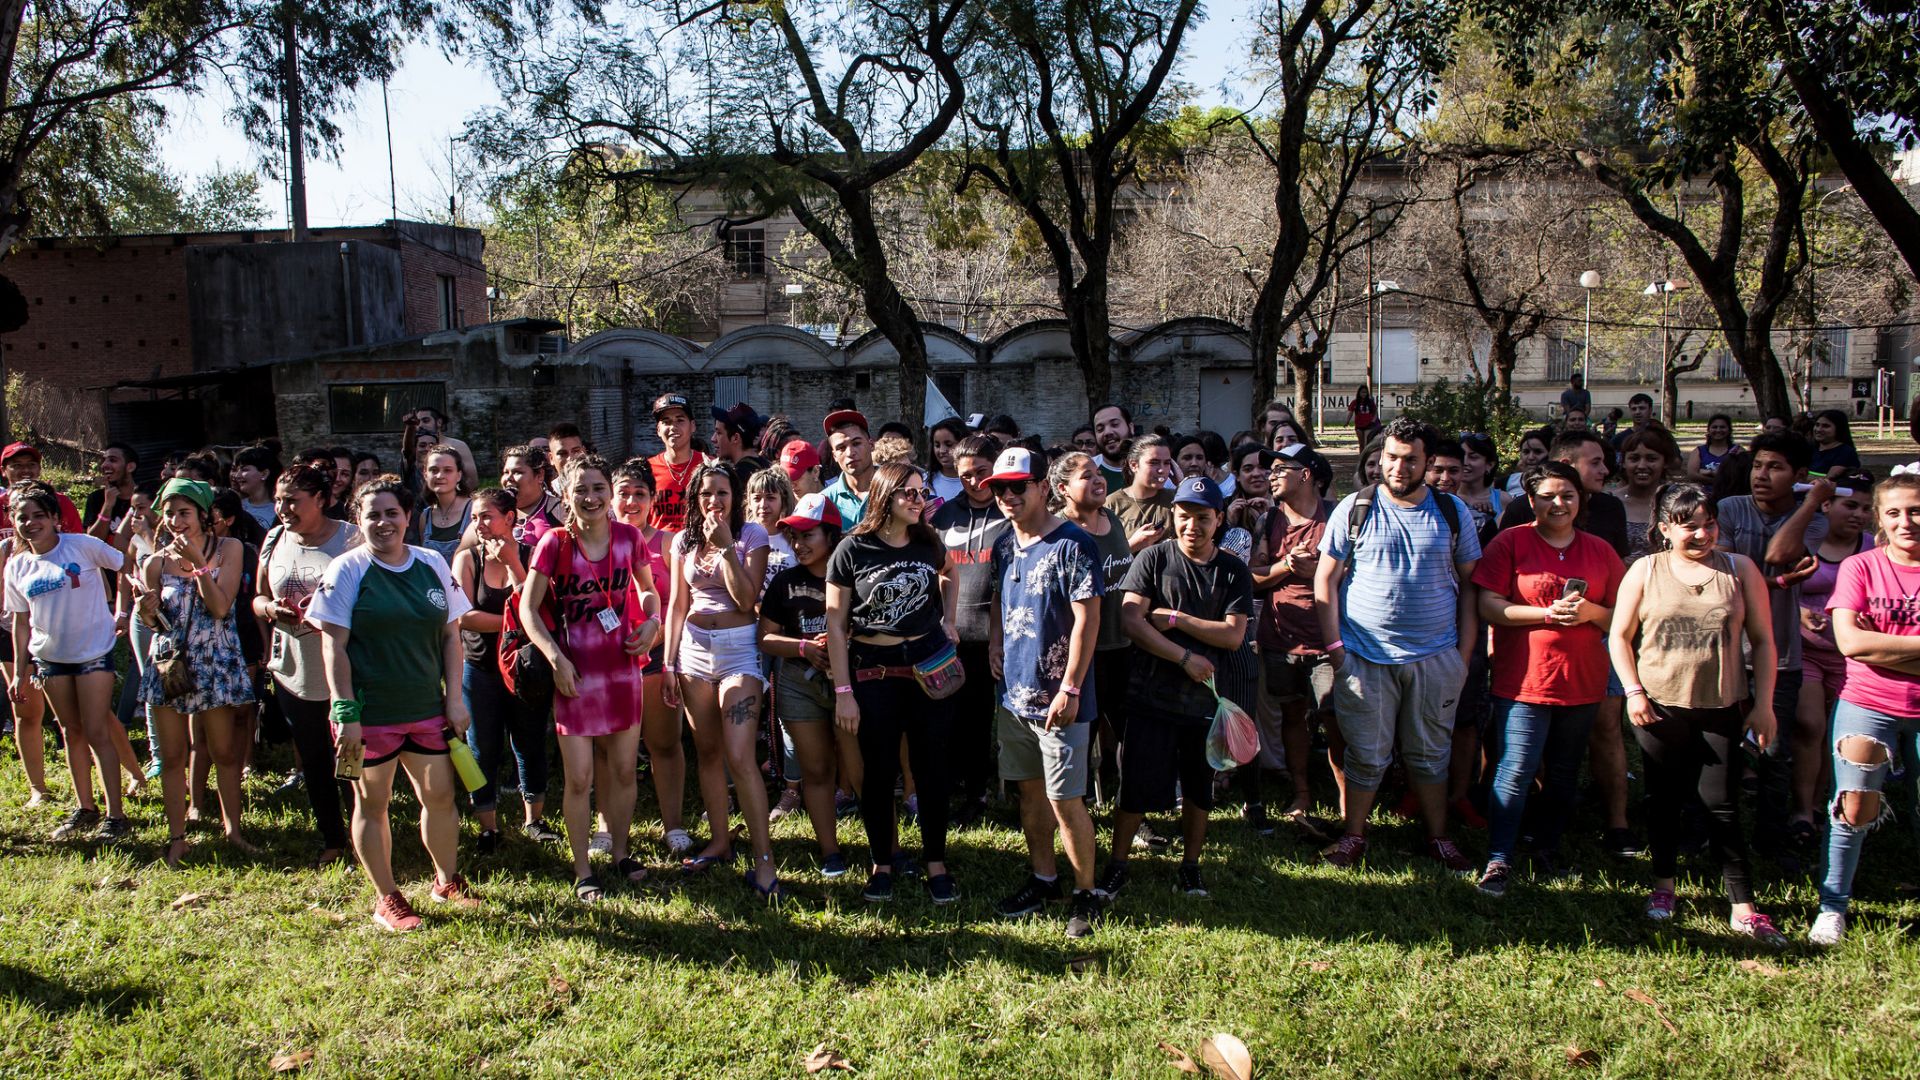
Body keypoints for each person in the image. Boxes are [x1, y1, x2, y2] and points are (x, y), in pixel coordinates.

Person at [1608, 482, 1784, 945]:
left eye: (1709, 525)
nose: (1702, 535)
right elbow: (1619, 637)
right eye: (1689, 527)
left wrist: (1763, 704)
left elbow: (1764, 642)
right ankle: (1663, 887)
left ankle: (1743, 904)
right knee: (1663, 800)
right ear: (1665, 528)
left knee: (1722, 805)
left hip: (1722, 705)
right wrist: (1634, 692)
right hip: (1660, 706)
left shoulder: (1739, 569)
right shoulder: (1645, 571)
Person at [310, 477, 477, 931]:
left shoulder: (431, 563)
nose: (383, 523)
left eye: (392, 514)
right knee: (372, 802)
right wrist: (345, 713)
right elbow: (333, 647)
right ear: (358, 520)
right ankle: (387, 897)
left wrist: (454, 698)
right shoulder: (346, 570)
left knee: (440, 796)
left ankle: (446, 881)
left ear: (407, 517)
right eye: (372, 515)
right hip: (367, 717)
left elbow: (451, 635)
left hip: (427, 710)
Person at [1316, 418, 1481, 872]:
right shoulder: (1355, 507)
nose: (1399, 466)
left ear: (1427, 462)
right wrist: (1335, 649)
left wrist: (1462, 657)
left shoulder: (1452, 512)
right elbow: (1325, 580)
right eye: (1392, 456)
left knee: (1430, 755)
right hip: (1364, 658)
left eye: (1411, 459)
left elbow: (1471, 587)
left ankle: (1439, 837)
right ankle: (1354, 836)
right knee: (1366, 755)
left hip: (1436, 657)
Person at [1471, 462, 1625, 895]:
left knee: (1562, 771)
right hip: (1522, 681)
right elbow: (1488, 606)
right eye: (1548, 496)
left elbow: (1624, 616)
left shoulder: (1601, 551)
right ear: (1531, 501)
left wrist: (1590, 613)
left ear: (1581, 499)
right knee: (1515, 768)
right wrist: (1545, 613)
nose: (1559, 504)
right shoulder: (1510, 543)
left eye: (1568, 495)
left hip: (1582, 681)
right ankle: (1499, 857)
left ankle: (1547, 847)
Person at [1099, 475, 1252, 900]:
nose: (1192, 526)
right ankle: (1116, 865)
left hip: (1204, 700)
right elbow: (1131, 621)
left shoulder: (1233, 571)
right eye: (1184, 517)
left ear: (1218, 519)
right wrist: (1184, 657)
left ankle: (1190, 867)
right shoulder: (1152, 559)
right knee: (1135, 786)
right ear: (1173, 515)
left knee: (1199, 788)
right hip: (1149, 694)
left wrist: (1176, 619)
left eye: (1203, 518)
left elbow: (1233, 636)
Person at [520, 455, 659, 901]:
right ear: (566, 495)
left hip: (622, 669)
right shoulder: (554, 543)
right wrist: (555, 657)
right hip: (573, 674)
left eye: (599, 488)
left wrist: (653, 623)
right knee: (579, 777)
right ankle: (583, 870)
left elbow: (648, 590)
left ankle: (620, 852)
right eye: (581, 489)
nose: (591, 497)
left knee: (623, 770)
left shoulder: (629, 537)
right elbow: (527, 608)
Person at [825, 463, 961, 904]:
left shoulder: (927, 541)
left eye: (923, 494)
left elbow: (950, 572)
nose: (921, 502)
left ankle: (936, 863)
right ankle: (881, 862)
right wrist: (844, 692)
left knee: (932, 769)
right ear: (886, 496)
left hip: (928, 665)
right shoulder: (851, 549)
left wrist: (950, 620)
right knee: (879, 772)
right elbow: (836, 625)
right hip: (874, 670)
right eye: (911, 494)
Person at [984, 447, 1104, 939]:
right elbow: (996, 596)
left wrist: (1071, 686)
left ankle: (1086, 892)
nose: (1008, 495)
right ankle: (1043, 878)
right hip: (1014, 696)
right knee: (1030, 795)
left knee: (1066, 800)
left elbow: (1088, 618)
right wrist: (994, 640)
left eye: (1019, 486)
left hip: (1061, 700)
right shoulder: (1003, 546)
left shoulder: (1073, 544)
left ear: (1042, 487)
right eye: (999, 488)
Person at [1814, 471, 1920, 945]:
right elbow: (1850, 643)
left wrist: (1886, 646)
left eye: (1916, 511)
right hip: (1868, 702)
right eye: (1894, 513)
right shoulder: (1861, 567)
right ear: (1879, 519)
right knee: (1853, 808)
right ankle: (1832, 906)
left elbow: (1867, 642)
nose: (1906, 522)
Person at [663, 463, 778, 894]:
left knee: (739, 754)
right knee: (708, 752)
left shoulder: (752, 536)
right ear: (696, 499)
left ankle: (765, 859)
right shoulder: (682, 541)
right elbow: (677, 604)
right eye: (706, 494)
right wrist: (669, 663)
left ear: (736, 497)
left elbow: (747, 599)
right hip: (692, 651)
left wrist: (727, 547)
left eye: (723, 493)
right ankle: (720, 841)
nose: (715, 501)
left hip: (738, 649)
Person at [1716, 432, 1825, 857]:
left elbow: (1780, 550)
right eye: (1758, 465)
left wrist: (1813, 501)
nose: (1761, 475)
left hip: (1781, 655)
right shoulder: (1729, 508)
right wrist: (1777, 584)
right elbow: (1724, 582)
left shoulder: (1812, 517)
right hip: (1724, 651)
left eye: (1775, 467)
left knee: (1773, 753)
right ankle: (1715, 833)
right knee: (1720, 748)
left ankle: (1770, 838)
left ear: (1800, 475)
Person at [139, 478, 257, 862]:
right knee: (172, 756)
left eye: (184, 512)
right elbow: (158, 623)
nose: (175, 520)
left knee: (224, 752)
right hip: (171, 666)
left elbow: (222, 608)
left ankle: (233, 831)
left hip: (215, 663)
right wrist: (146, 611)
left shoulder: (230, 548)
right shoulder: (154, 562)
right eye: (170, 513)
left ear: (205, 515)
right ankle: (177, 836)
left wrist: (199, 564)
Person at [5, 481, 129, 841]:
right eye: (22, 517)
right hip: (50, 661)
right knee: (70, 733)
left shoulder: (82, 545)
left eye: (39, 516)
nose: (31, 523)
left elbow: (124, 564)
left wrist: (119, 611)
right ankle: (85, 808)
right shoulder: (17, 566)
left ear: (56, 518)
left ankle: (115, 816)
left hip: (92, 655)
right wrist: (19, 670)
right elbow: (20, 620)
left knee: (96, 731)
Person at [256, 466, 361, 866]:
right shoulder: (274, 538)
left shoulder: (351, 538)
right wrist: (270, 609)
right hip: (293, 670)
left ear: (321, 499)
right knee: (314, 759)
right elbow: (258, 597)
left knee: (349, 757)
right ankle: (332, 840)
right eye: (280, 499)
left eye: (293, 500)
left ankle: (362, 833)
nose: (284, 508)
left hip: (344, 671)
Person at [453, 488, 556, 854]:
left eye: (486, 516)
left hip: (525, 670)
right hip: (479, 668)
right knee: (482, 748)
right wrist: (515, 623)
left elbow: (542, 611)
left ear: (510, 518)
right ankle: (488, 826)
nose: (478, 524)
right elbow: (463, 616)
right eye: (475, 517)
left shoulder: (530, 556)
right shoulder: (467, 560)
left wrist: (514, 564)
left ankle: (535, 820)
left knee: (528, 742)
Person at [759, 493, 853, 876]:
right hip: (799, 681)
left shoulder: (852, 574)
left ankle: (889, 851)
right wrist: (802, 648)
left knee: (861, 769)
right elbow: (765, 638)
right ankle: (830, 850)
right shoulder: (784, 582)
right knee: (815, 770)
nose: (798, 544)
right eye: (793, 537)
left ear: (831, 535)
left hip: (851, 681)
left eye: (807, 535)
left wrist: (843, 643)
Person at [1254, 442, 1344, 830]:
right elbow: (1252, 577)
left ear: (1305, 474)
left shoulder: (1338, 517)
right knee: (1291, 714)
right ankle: (1302, 792)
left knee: (1334, 718)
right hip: (1280, 637)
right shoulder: (1267, 521)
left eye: (1279, 469)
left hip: (1329, 639)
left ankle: (1346, 799)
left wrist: (1321, 572)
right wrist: (1286, 566)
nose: (1270, 475)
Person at [929, 432, 1008, 828]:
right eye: (965, 476)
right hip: (952, 633)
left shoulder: (1010, 512)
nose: (974, 482)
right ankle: (953, 785)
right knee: (950, 717)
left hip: (994, 634)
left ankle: (980, 792)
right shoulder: (944, 515)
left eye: (982, 472)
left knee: (981, 719)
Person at [611, 459, 689, 854]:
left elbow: (680, 603)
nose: (631, 501)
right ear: (611, 497)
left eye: (639, 494)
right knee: (609, 751)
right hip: (607, 663)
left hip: (656, 656)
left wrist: (656, 639)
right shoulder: (597, 541)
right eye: (623, 493)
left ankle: (673, 824)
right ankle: (606, 829)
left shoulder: (670, 543)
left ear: (652, 498)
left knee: (665, 743)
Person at [1797, 468, 1875, 854]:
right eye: (1850, 505)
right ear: (1826, 505)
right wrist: (1798, 612)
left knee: (1835, 733)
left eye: (1866, 508)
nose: (1858, 514)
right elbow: (1777, 585)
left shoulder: (1873, 548)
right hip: (1806, 651)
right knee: (1809, 725)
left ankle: (1820, 803)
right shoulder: (1807, 540)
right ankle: (1801, 811)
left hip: (1854, 657)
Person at [1050, 450, 1133, 807]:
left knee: (1131, 733)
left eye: (1098, 473)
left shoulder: (1112, 520)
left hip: (1123, 646)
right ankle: (1077, 807)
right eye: (1086, 476)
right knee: (1082, 734)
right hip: (1082, 655)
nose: (1098, 480)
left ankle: (1131, 806)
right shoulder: (1057, 532)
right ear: (1063, 488)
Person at [1614, 426, 1682, 566]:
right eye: (1634, 458)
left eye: (1651, 459)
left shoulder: (1678, 502)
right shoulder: (1610, 502)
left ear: (1664, 462)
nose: (1642, 465)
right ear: (1624, 462)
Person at [647, 393, 709, 532]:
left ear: (692, 426)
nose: (673, 427)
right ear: (658, 429)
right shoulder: (647, 470)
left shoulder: (709, 465)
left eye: (680, 420)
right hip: (658, 551)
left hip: (700, 550)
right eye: (666, 421)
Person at [1105, 434, 1174, 554]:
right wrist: (1132, 545)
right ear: (1134, 465)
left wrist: (1182, 482)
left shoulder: (1176, 499)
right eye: (1154, 463)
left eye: (1167, 463)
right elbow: (1103, 557)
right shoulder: (1111, 504)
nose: (1162, 470)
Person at [410, 445, 472, 566]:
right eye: (434, 470)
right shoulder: (425, 516)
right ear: (425, 474)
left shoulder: (473, 510)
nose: (440, 476)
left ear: (459, 475)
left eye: (447, 470)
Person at [400, 407, 480, 490]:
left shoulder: (457, 445)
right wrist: (410, 426)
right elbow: (407, 451)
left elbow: (472, 481)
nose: (420, 425)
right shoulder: (416, 447)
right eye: (417, 422)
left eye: (426, 421)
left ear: (439, 422)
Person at [821, 408, 877, 527]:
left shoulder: (896, 489)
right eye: (841, 448)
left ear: (871, 445)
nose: (850, 452)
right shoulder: (824, 502)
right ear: (834, 455)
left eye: (856, 443)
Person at [501, 444, 564, 545]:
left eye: (517, 472)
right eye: (505, 472)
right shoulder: (496, 510)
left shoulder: (560, 509)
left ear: (539, 475)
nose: (509, 478)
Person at [83, 442, 140, 542]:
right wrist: (107, 506)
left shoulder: (145, 497)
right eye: (104, 460)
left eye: (112, 460)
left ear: (130, 467)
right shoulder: (96, 498)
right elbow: (92, 541)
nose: (104, 465)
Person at [229, 446, 280, 532]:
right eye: (237, 470)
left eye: (244, 470)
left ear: (264, 474)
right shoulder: (236, 507)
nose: (237, 476)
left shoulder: (280, 509)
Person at [711, 402, 770, 475]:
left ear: (736, 438)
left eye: (719, 433)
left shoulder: (737, 478)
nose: (713, 439)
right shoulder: (767, 466)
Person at [1091, 404, 1133, 494]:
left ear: (1131, 428)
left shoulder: (1154, 468)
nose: (1107, 432)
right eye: (1100, 429)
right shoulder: (1087, 469)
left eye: (1115, 424)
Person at [928, 417, 970, 504]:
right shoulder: (924, 482)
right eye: (937, 445)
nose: (942, 451)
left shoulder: (974, 482)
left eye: (948, 444)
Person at [1686, 414, 1736, 482]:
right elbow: (1692, 475)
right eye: (1714, 427)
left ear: (1729, 430)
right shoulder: (1698, 451)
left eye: (1722, 427)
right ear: (1708, 430)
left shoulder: (1738, 450)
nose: (1718, 430)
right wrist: (1716, 480)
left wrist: (1709, 473)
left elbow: (1741, 475)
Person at [1810, 409, 1861, 475]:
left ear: (1839, 429)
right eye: (1817, 425)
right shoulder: (1809, 448)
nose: (1819, 429)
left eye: (1826, 426)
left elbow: (1829, 479)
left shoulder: (1845, 452)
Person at [1505, 428, 1552, 499]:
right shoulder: (1506, 482)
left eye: (1537, 452)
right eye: (1526, 452)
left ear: (1550, 453)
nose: (1531, 457)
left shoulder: (1555, 483)